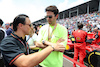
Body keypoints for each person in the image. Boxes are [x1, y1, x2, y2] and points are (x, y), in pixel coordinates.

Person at [0, 14, 65, 67]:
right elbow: (24, 63)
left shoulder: (22, 40)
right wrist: (52, 47)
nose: (32, 27)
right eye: (29, 25)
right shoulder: (7, 42)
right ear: (21, 25)